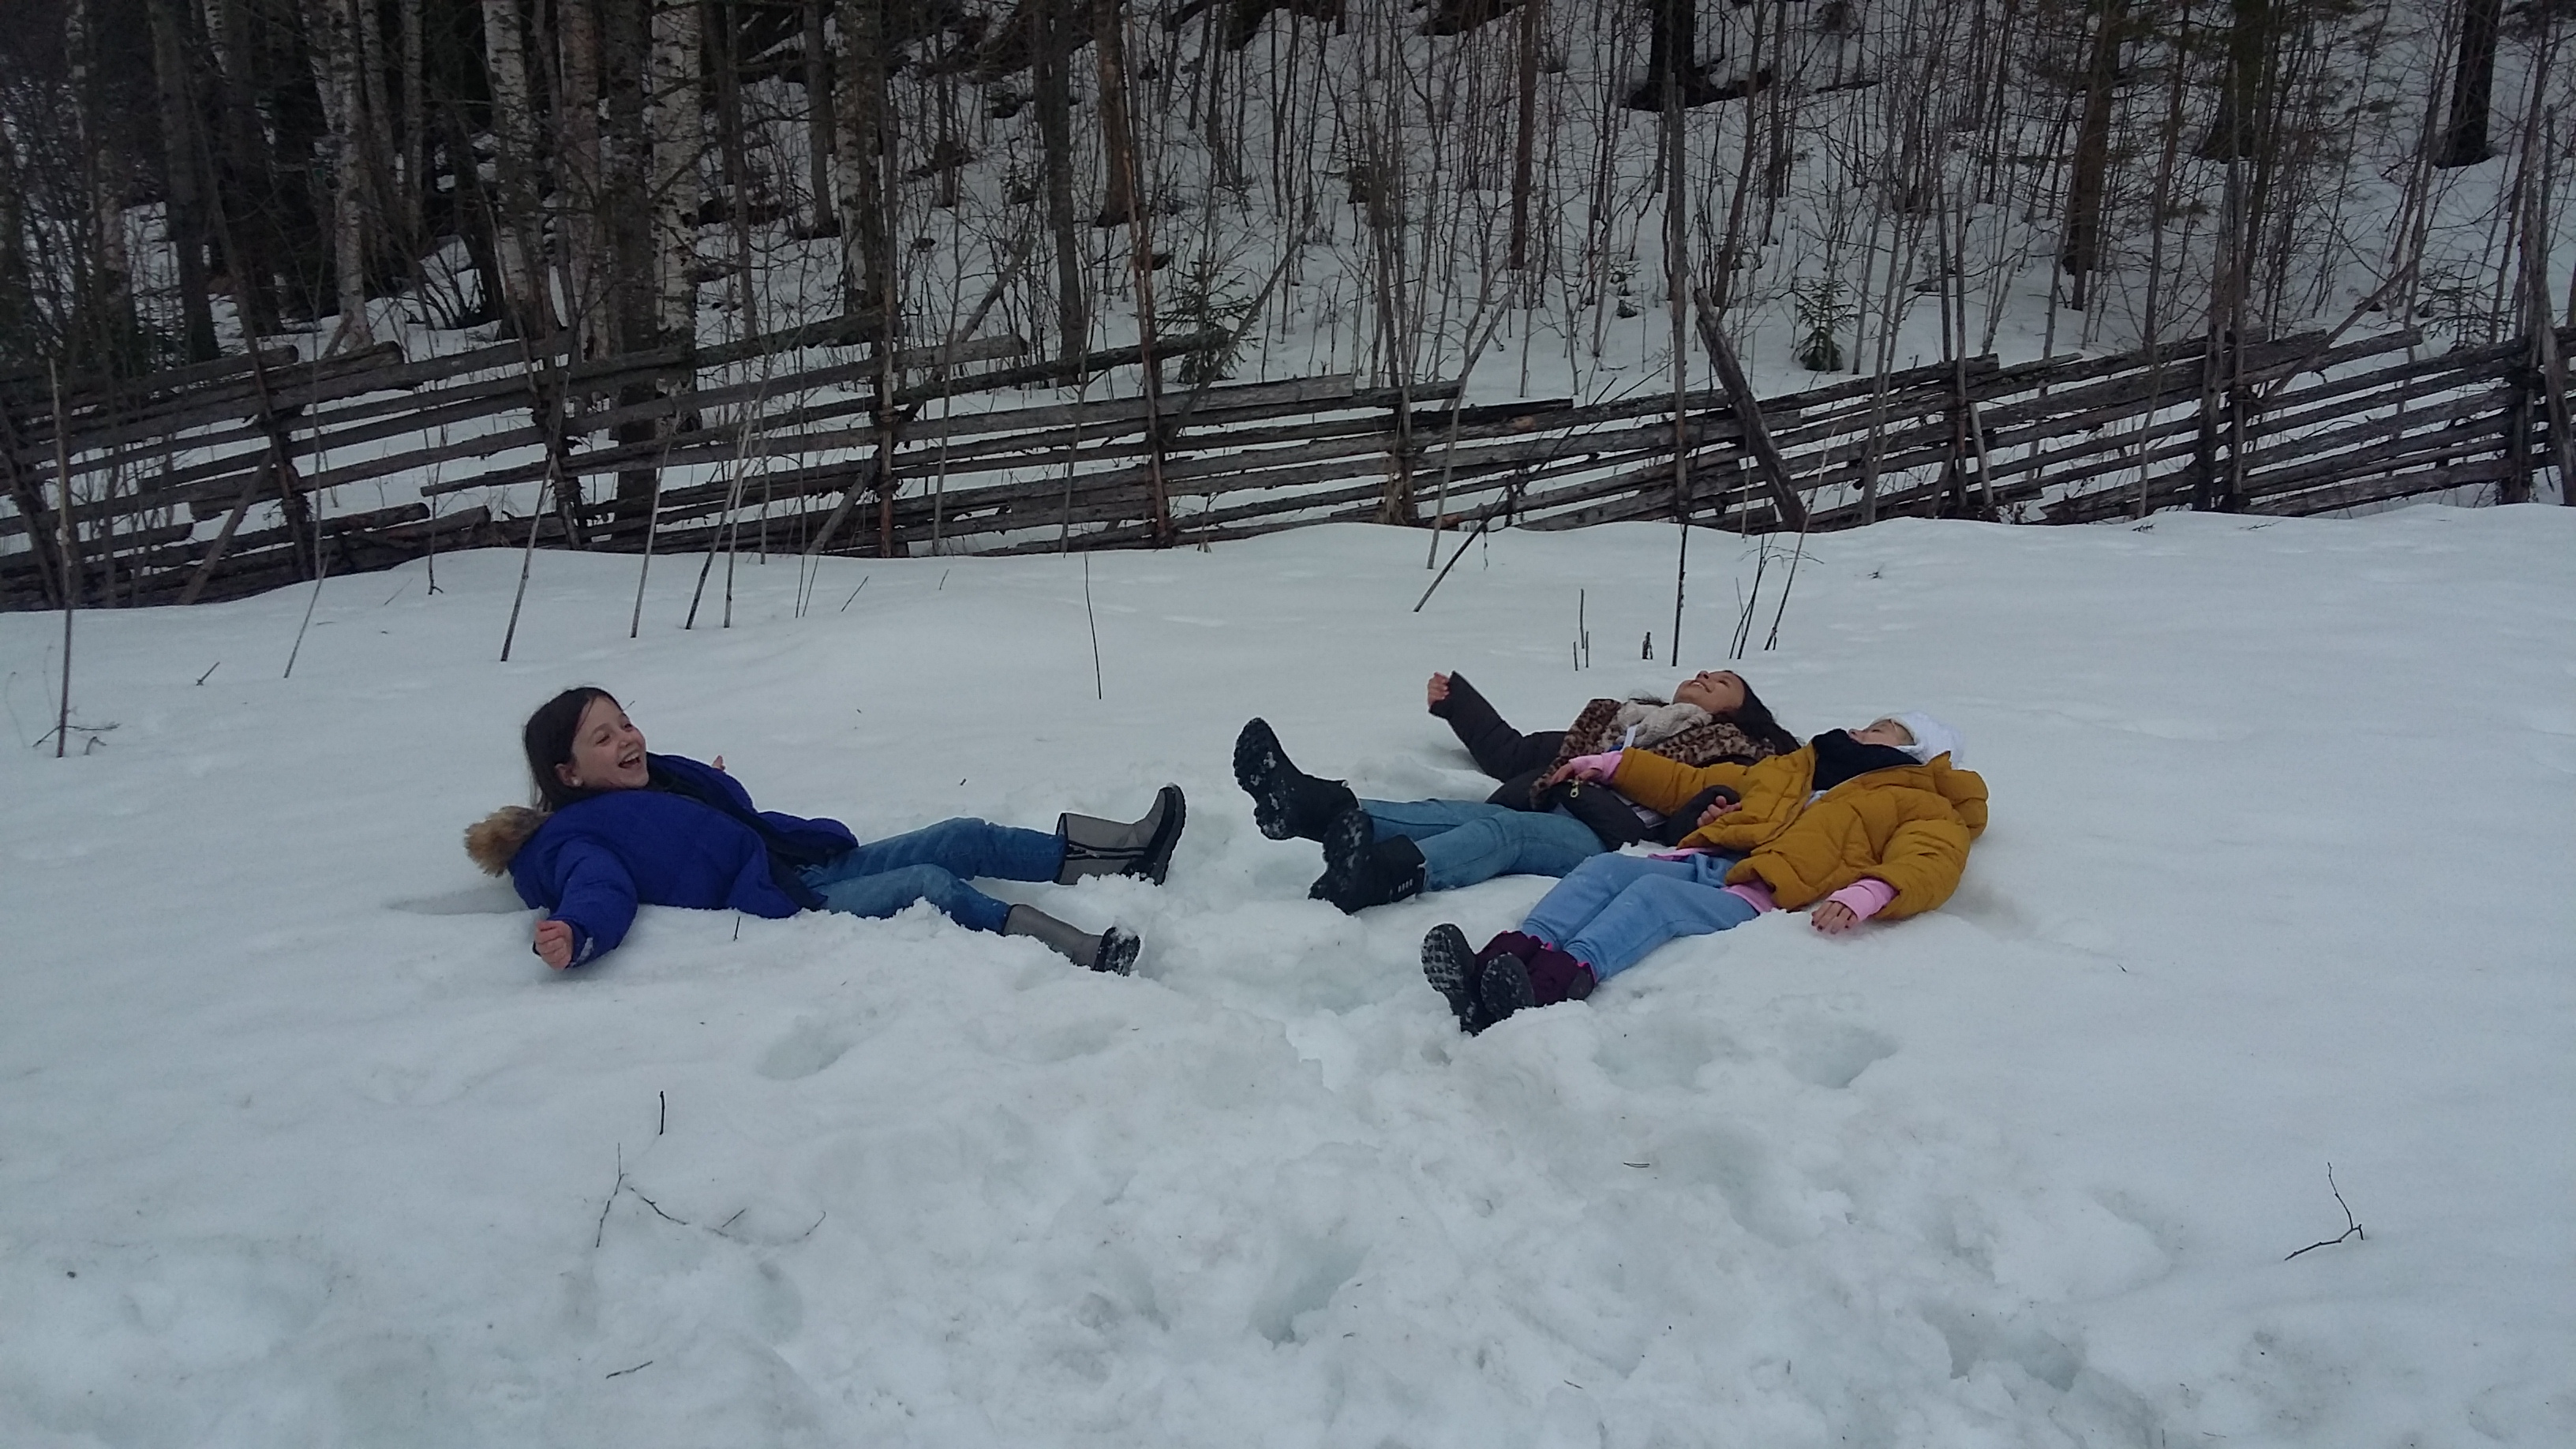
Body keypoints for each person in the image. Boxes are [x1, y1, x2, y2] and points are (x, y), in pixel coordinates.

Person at [464, 687, 1185, 975]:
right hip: (788, 897)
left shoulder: (660, 779)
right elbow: (599, 888)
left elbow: (722, 821)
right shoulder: (576, 838)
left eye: (625, 722)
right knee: (930, 882)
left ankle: (1125, 855)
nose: (628, 738)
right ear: (568, 774)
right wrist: (576, 932)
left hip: (801, 860)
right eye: (604, 737)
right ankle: (1081, 953)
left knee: (961, 834)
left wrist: (710, 787)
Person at [1419, 712, 1986, 1033]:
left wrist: (1869, 892)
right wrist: (1614, 765)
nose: (1862, 730)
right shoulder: (1794, 772)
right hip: (1707, 860)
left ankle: (1553, 983)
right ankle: (1503, 960)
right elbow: (1690, 783)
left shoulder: (1920, 801)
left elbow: (1932, 858)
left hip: (1759, 893)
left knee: (1654, 900)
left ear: (1919, 752)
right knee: (1604, 870)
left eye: (1882, 729)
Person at [1232, 669, 1799, 912]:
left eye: (1722, 681)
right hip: (1550, 805)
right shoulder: (1617, 723)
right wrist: (1459, 703)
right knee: (1452, 813)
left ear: (1742, 711)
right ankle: (1313, 806)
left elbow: (1690, 822)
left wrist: (1704, 814)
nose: (1705, 676)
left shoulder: (1735, 754)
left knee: (1503, 831)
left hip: (1607, 837)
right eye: (1704, 671)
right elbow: (1515, 754)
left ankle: (1381, 876)